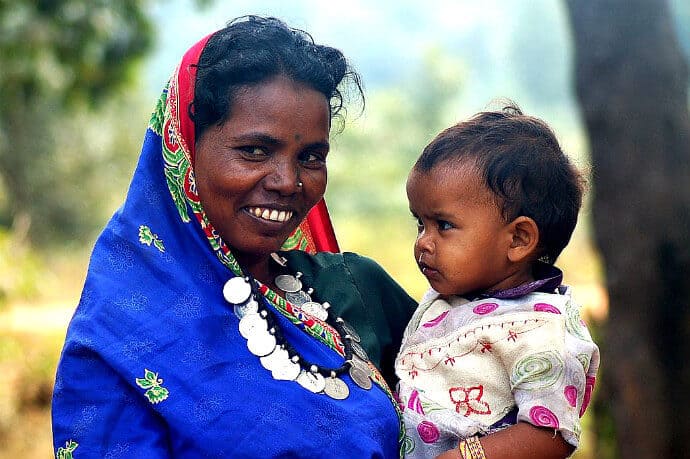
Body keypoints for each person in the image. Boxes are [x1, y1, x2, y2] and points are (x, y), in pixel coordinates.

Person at [51, 15, 418, 458]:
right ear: (186, 148)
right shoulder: (118, 340)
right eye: (254, 151)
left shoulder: (353, 288)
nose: (288, 180)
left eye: (311, 156)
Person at [394, 105, 600, 459]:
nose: (423, 242)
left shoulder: (541, 327)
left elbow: (551, 434)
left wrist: (467, 455)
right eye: (420, 224)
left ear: (518, 239)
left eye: (443, 225)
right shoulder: (453, 297)